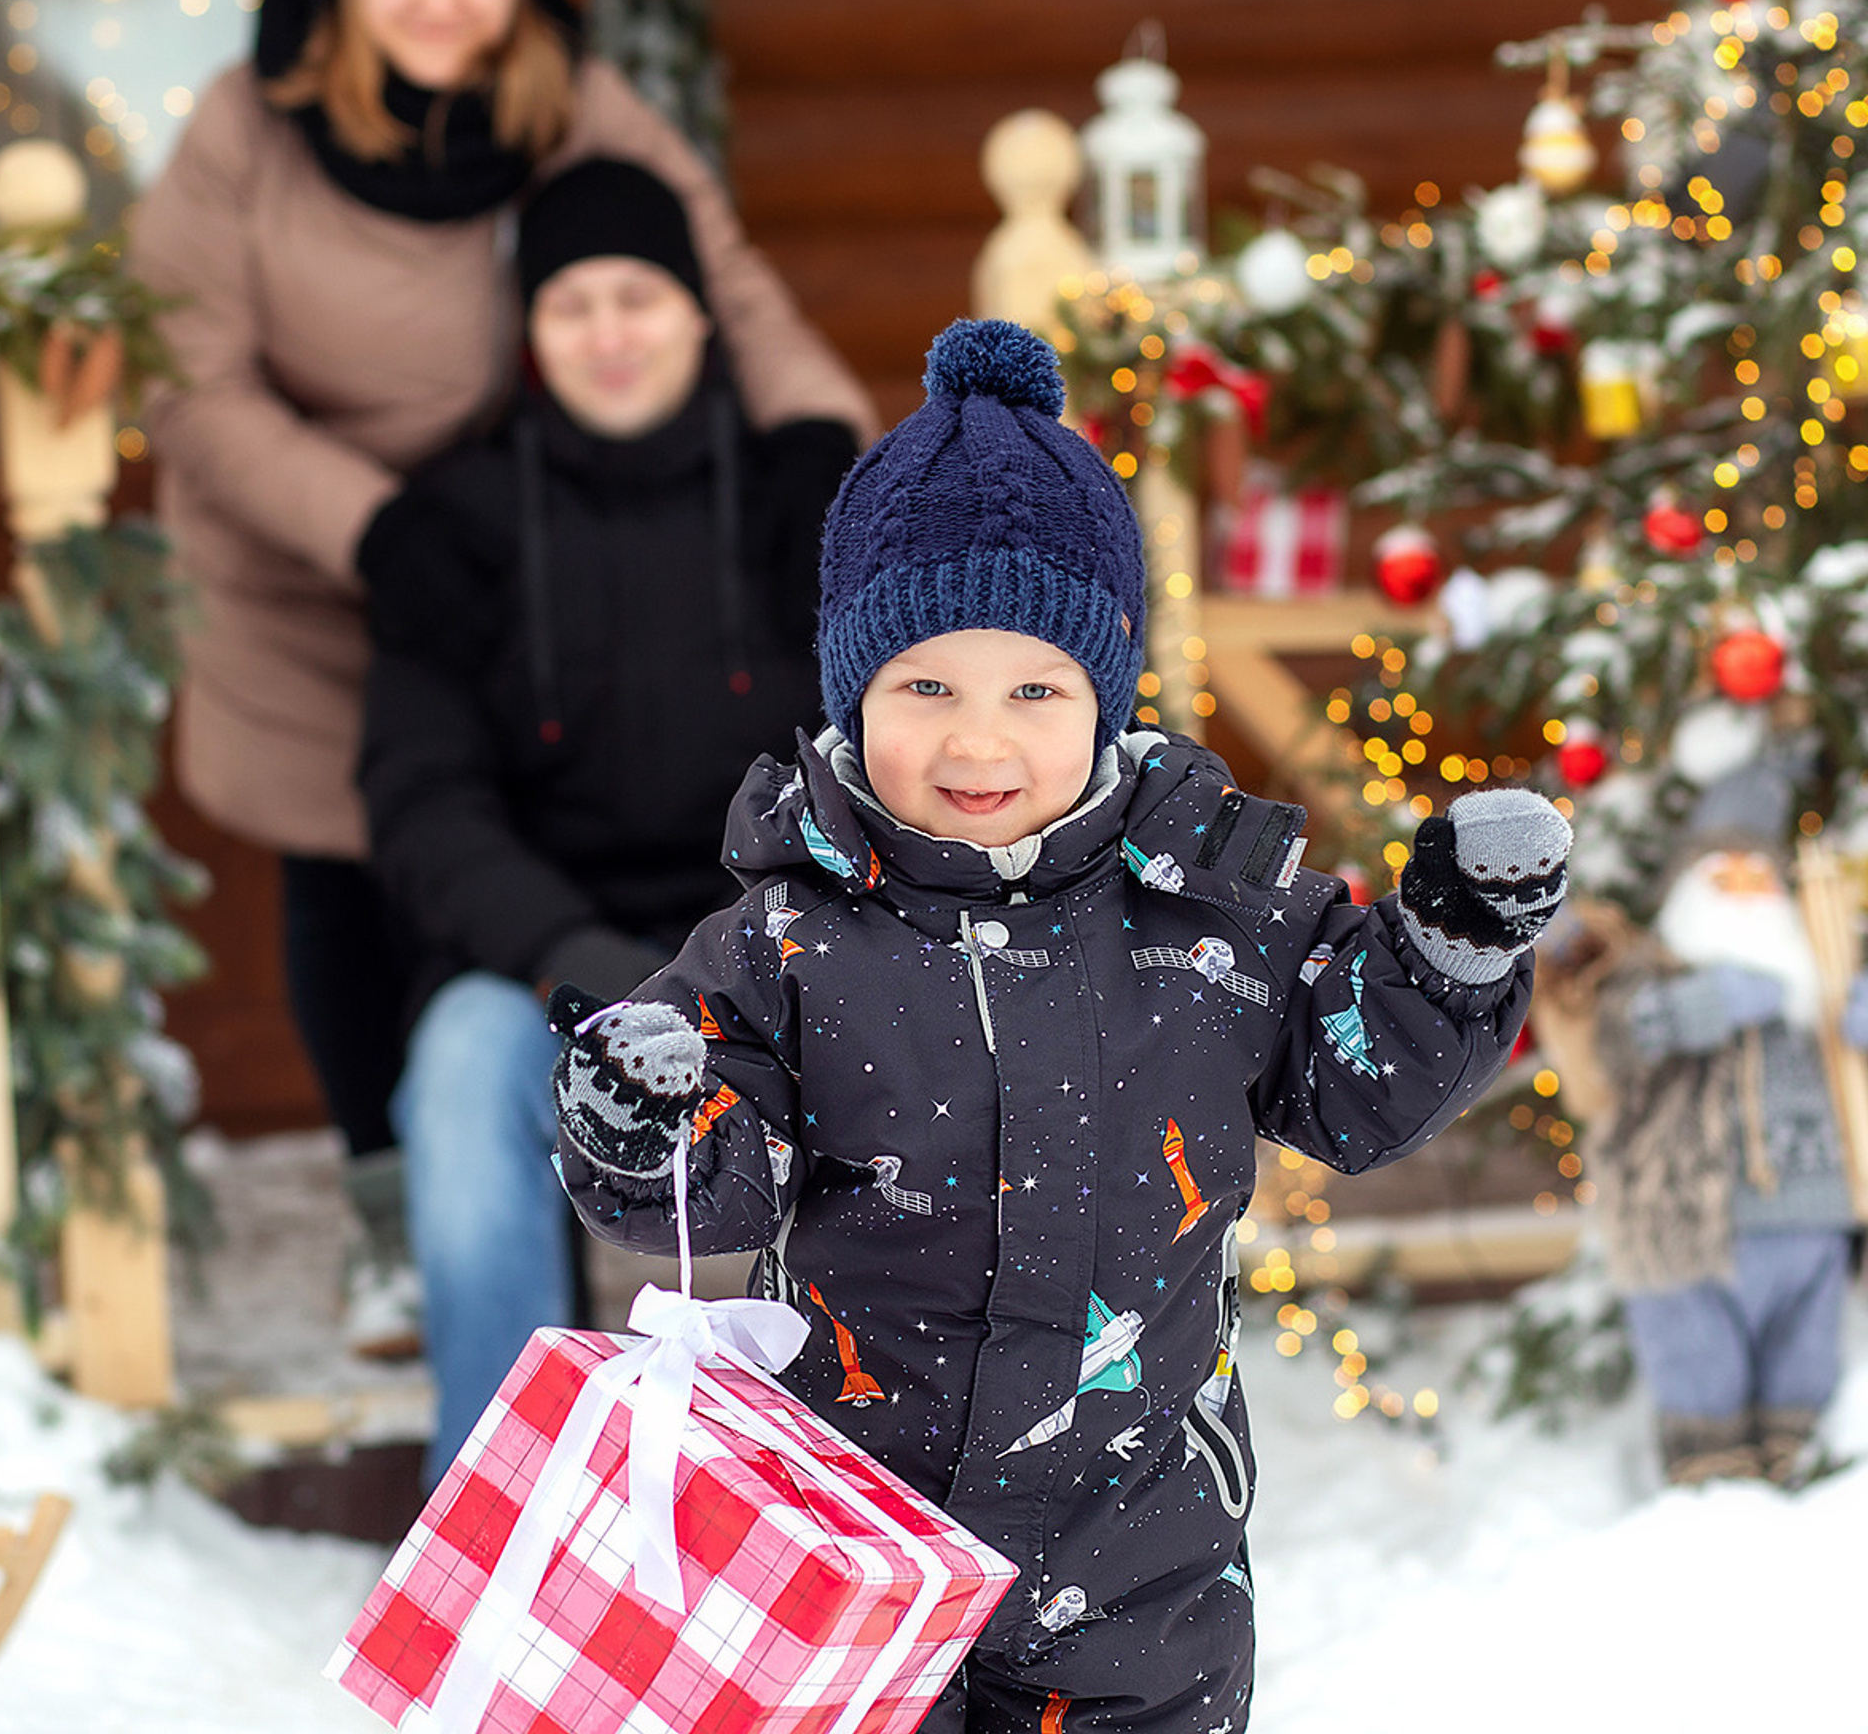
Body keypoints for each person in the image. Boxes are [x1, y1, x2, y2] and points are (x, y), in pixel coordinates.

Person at [547, 318, 1568, 1734]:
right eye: (927, 690)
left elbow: (1356, 1091)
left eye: (1036, 690)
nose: (980, 743)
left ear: (1108, 695)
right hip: (854, 1562)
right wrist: (637, 1118)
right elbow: (710, 1173)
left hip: (1139, 1582)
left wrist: (1447, 954)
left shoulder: (1217, 910)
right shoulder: (789, 938)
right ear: (853, 697)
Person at [128, 0, 874, 1356]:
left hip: (576, 500)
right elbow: (187, 381)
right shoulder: (245, 133)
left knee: (501, 856)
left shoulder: (574, 104)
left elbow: (711, 276)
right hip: (322, 546)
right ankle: (388, 1206)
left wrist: (815, 443)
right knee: (365, 854)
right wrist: (379, 526)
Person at [356, 154, 857, 1482]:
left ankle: (854, 1490)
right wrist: (566, 956)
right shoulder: (453, 531)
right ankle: (498, 1500)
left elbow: (873, 750)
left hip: (776, 943)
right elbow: (421, 804)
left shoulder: (797, 511)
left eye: (640, 295)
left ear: (700, 315)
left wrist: (774, 938)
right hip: (540, 964)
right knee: (460, 1073)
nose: (612, 334)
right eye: (573, 304)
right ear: (530, 335)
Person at [1553, 762, 1858, 1487]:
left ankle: (1804, 1464)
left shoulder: (1821, 981)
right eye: (1727, 876)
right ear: (1691, 890)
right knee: (1695, 1357)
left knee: (1807, 1356)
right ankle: (1710, 1474)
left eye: (1761, 876)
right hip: (1687, 1223)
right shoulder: (1648, 972)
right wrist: (1698, 1006)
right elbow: (1610, 1039)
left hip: (1813, 1217)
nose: (1748, 890)